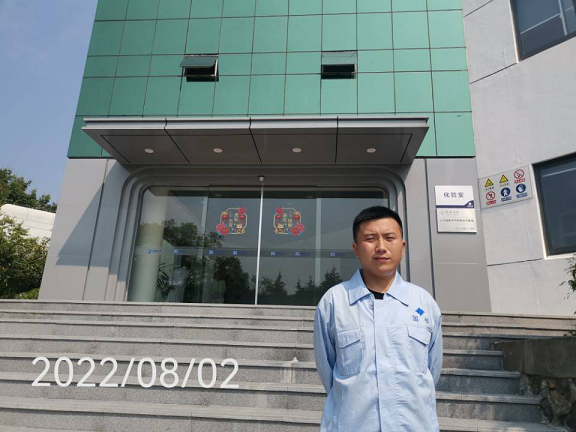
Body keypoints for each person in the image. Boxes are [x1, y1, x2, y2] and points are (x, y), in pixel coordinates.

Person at [313, 206, 443, 431]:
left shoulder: (424, 303)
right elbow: (328, 371)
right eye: (370, 239)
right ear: (356, 249)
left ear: (402, 247)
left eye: (389, 238)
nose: (381, 247)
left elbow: (432, 370)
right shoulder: (334, 302)